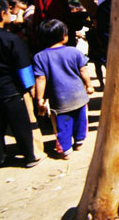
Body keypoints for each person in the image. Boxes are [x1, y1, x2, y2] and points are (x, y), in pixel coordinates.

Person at [33, 19, 93, 159]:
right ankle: (79, 142)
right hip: (78, 95)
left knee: (62, 124)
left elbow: (40, 79)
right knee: (81, 120)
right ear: (64, 36)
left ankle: (65, 150)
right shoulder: (74, 52)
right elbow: (83, 70)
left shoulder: (40, 57)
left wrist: (39, 98)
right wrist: (89, 85)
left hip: (59, 99)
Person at [0, 0, 42, 171]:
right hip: (12, 90)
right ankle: (29, 155)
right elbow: (23, 67)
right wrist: (30, 89)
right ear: (1, 15)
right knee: (20, 124)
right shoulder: (12, 40)